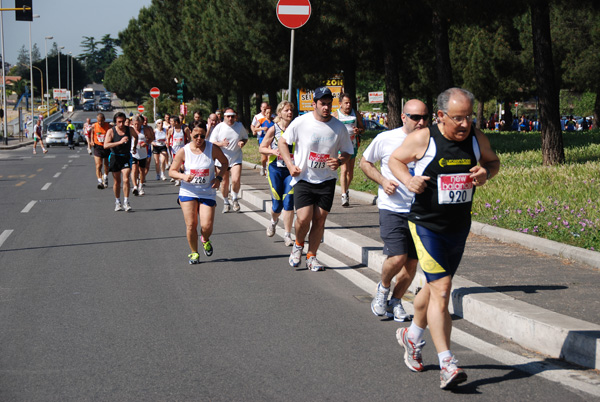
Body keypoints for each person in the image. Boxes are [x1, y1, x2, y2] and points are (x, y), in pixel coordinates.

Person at [389, 88, 500, 390]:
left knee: (434, 286)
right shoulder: (424, 138)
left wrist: (485, 174)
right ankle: (447, 363)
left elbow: (494, 162)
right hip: (426, 225)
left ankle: (411, 337)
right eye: (457, 118)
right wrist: (408, 179)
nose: (464, 124)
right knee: (442, 289)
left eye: (468, 117)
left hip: (458, 226)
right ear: (440, 116)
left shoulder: (477, 139)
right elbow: (396, 160)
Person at [360, 99, 429, 322]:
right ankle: (383, 288)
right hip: (393, 208)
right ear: (403, 117)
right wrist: (382, 181)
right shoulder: (386, 139)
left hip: (420, 210)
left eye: (424, 117)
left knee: (411, 263)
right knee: (397, 256)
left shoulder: (432, 141)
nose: (420, 122)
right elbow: (365, 163)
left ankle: (396, 302)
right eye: (415, 117)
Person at [278, 87, 354, 271]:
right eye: (322, 104)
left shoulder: (338, 126)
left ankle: (312, 256)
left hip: (326, 179)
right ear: (314, 104)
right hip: (304, 177)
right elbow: (282, 142)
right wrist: (289, 164)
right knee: (304, 218)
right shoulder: (301, 122)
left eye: (329, 104)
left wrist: (339, 160)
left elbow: (348, 151)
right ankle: (298, 245)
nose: (326, 107)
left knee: (320, 220)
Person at [169, 125, 229, 264]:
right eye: (196, 136)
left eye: (202, 136)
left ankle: (205, 239)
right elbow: (172, 171)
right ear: (190, 134)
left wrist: (218, 178)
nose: (199, 139)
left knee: (206, 226)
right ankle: (194, 253)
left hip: (207, 191)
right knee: (191, 224)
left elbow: (225, 163)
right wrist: (183, 176)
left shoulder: (212, 148)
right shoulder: (183, 151)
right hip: (188, 191)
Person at [259, 101, 296, 246]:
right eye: (286, 110)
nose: (289, 113)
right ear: (279, 113)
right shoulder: (273, 129)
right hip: (275, 169)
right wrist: (273, 151)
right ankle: (273, 221)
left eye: (291, 110)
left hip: (290, 171)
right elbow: (262, 148)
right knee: (277, 205)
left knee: (289, 202)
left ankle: (287, 235)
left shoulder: (295, 129)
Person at [209, 107, 248, 213]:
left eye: (232, 116)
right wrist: (221, 144)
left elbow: (245, 137)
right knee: (224, 182)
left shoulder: (239, 126)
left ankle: (234, 198)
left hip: (236, 157)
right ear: (224, 117)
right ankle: (226, 202)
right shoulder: (219, 127)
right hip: (221, 159)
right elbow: (211, 142)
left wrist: (242, 142)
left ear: (235, 117)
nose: (230, 118)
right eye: (228, 116)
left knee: (236, 179)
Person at [334, 93, 365, 207]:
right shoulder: (336, 115)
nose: (348, 105)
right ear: (340, 104)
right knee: (344, 169)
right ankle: (343, 196)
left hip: (353, 145)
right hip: (341, 146)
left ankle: (345, 190)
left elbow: (363, 128)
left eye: (350, 103)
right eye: (346, 103)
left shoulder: (355, 113)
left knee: (350, 173)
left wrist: (359, 130)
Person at [104, 112, 138, 212]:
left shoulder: (129, 129)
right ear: (115, 122)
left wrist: (134, 146)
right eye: (119, 122)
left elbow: (136, 136)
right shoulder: (111, 131)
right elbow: (106, 145)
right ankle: (117, 201)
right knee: (117, 182)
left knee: (126, 179)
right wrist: (119, 142)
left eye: (123, 121)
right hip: (115, 157)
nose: (122, 124)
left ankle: (126, 202)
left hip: (126, 156)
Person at [130, 115, 154, 196]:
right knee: (134, 169)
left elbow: (151, 138)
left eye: (138, 124)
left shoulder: (145, 130)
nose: (137, 126)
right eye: (135, 124)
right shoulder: (130, 129)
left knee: (142, 170)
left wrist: (146, 143)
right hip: (133, 152)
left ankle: (140, 186)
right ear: (132, 123)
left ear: (141, 123)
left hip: (143, 153)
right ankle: (135, 187)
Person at [167, 116, 191, 186]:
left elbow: (189, 138)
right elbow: (168, 138)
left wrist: (188, 145)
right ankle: (178, 179)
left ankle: (183, 176)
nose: (170, 123)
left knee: (183, 166)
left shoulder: (184, 129)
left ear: (176, 122)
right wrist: (168, 144)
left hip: (183, 150)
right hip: (174, 151)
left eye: (171, 121)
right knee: (176, 166)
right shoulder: (171, 130)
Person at [92, 113, 111, 189]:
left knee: (106, 165)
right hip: (97, 146)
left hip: (106, 147)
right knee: (98, 165)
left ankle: (105, 177)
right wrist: (91, 141)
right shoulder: (94, 126)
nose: (100, 123)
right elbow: (91, 133)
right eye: (99, 121)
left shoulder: (108, 126)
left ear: (104, 120)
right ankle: (100, 181)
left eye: (102, 121)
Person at [257, 105, 275, 176]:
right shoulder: (262, 120)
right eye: (267, 113)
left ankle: (268, 171)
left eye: (270, 113)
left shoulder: (274, 120)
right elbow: (255, 129)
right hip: (263, 140)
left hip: (271, 140)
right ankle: (263, 167)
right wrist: (262, 129)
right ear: (265, 113)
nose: (269, 114)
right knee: (264, 158)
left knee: (269, 156)